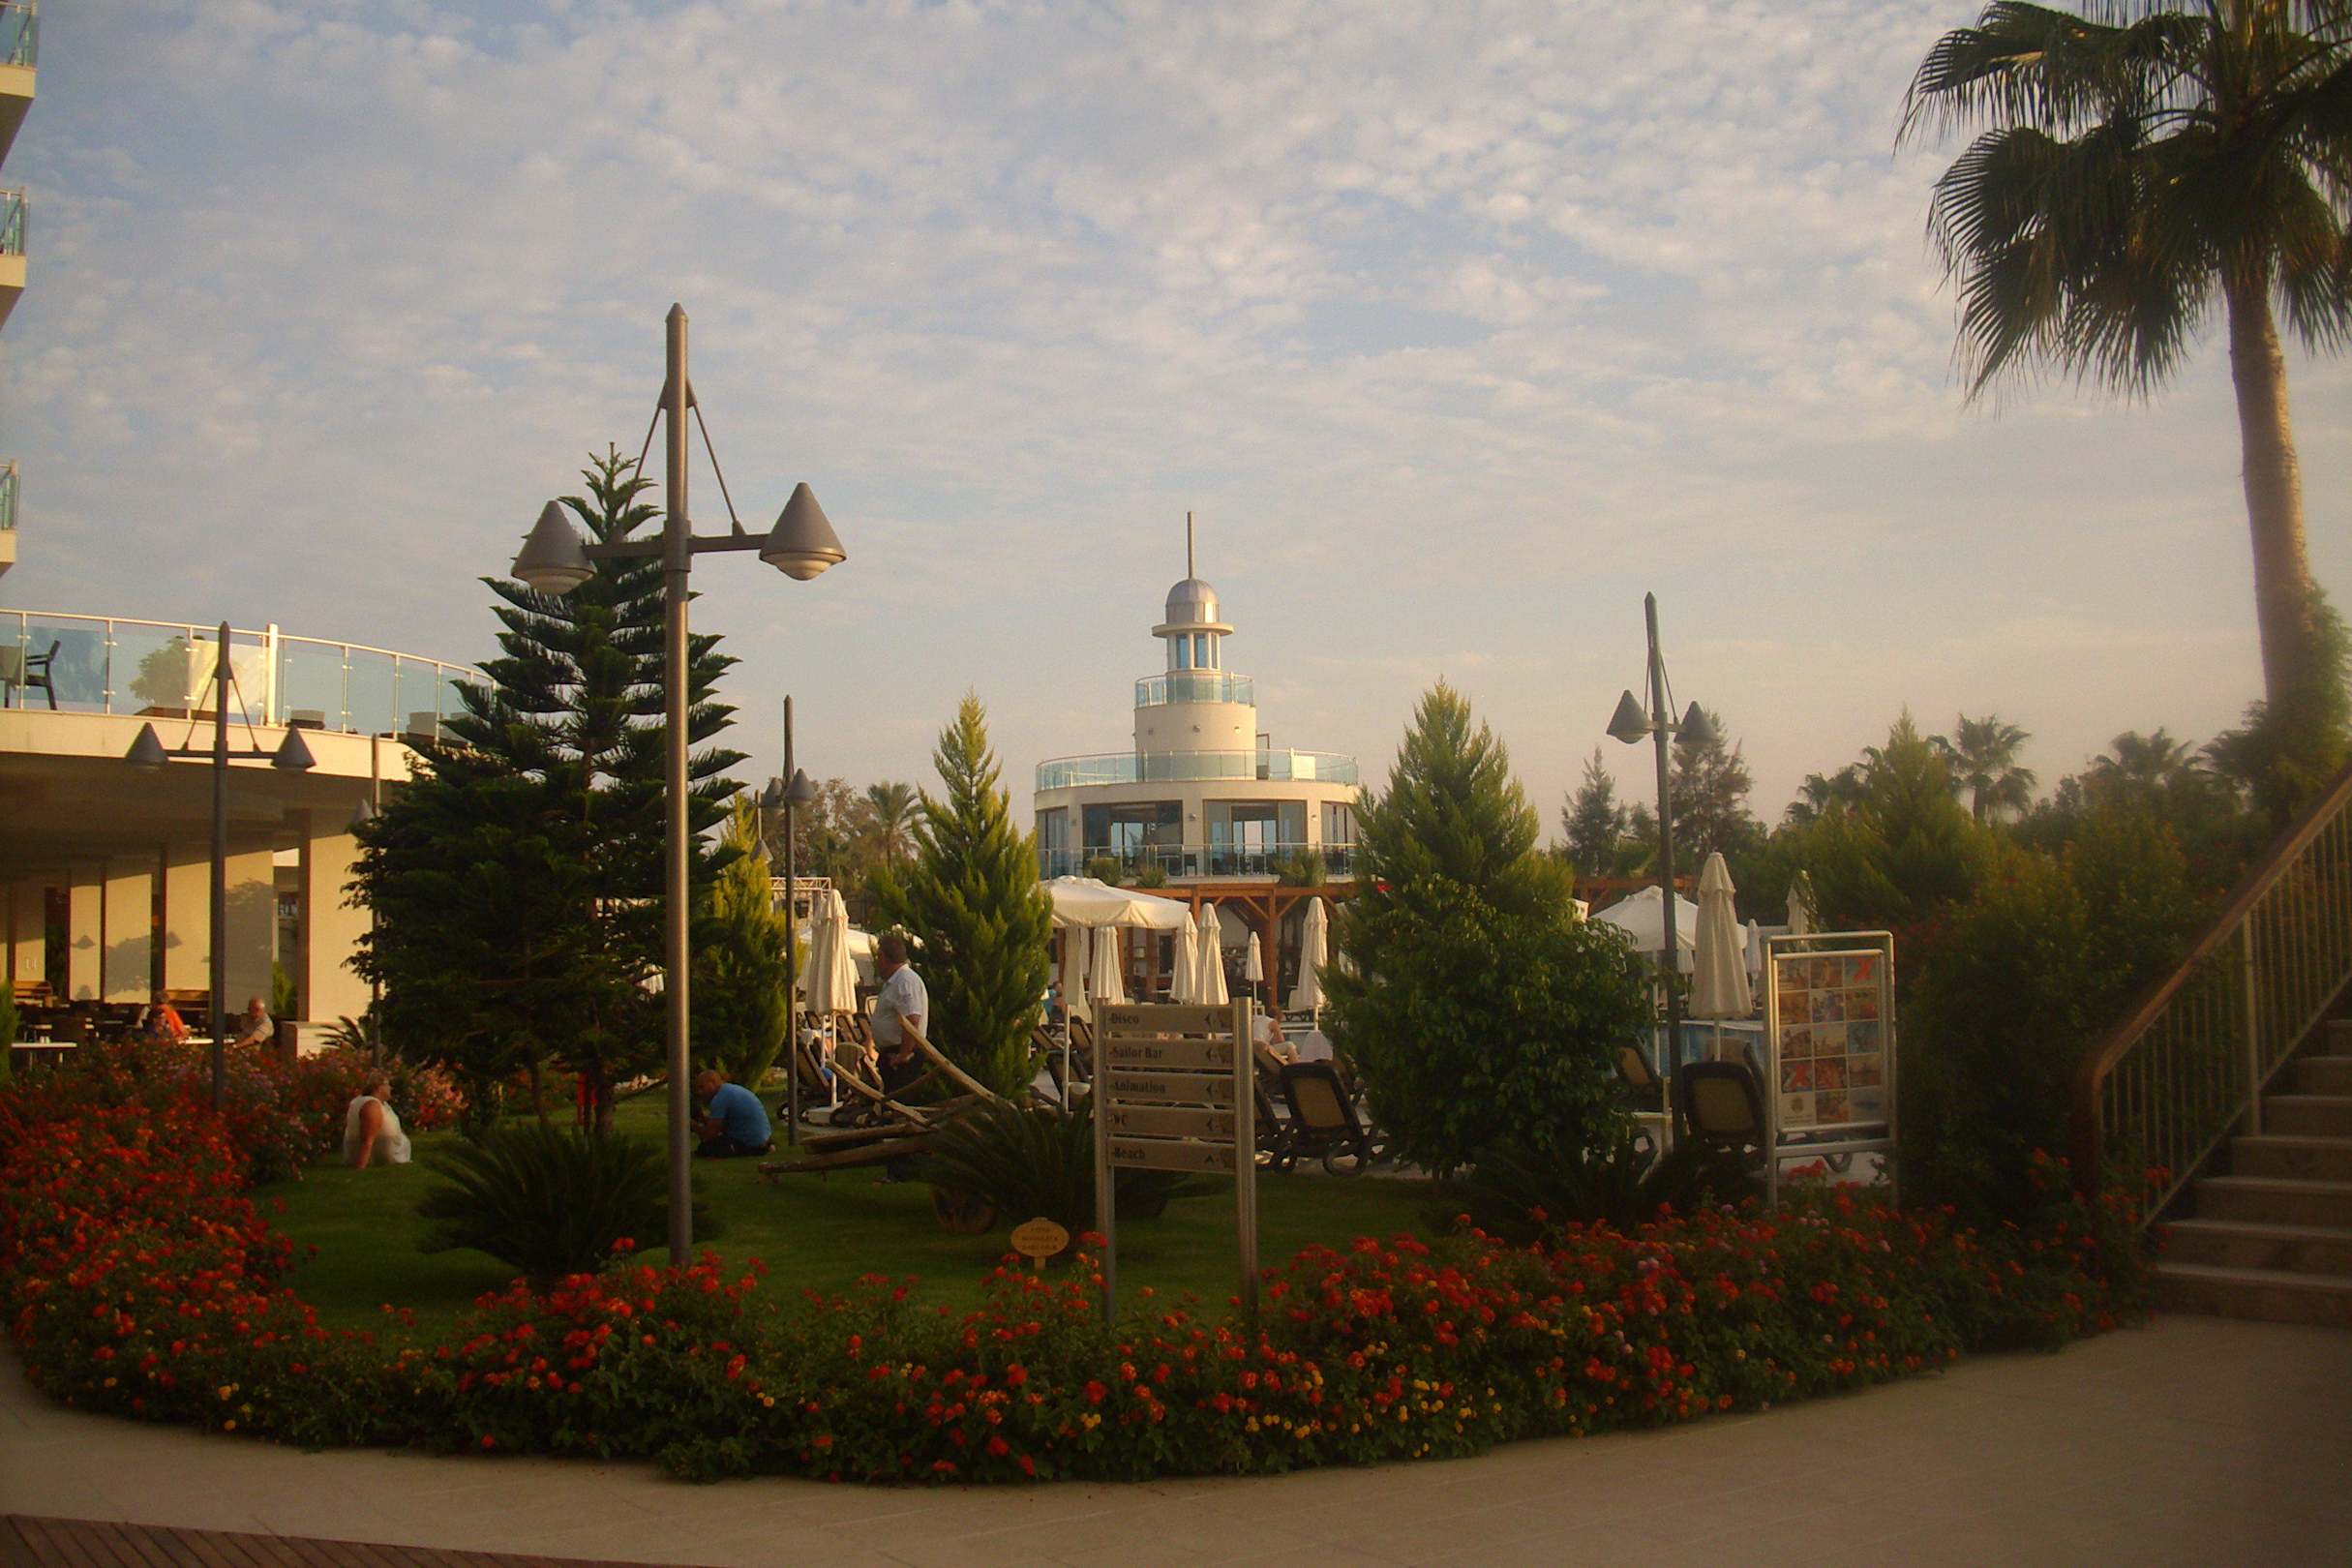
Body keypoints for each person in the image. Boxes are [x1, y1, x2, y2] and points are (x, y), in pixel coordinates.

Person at [870, 933, 929, 1099]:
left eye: (879, 957)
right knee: (892, 1100)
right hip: (893, 1054)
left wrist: (903, 1055)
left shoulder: (905, 981)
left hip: (903, 1056)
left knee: (899, 1102)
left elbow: (912, 1020)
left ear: (884, 957)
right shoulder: (894, 982)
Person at [692, 1068, 772, 1158]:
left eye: (702, 1087)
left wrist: (692, 1125)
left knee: (706, 1148)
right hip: (762, 1141)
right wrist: (703, 1119)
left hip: (750, 1145)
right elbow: (721, 1125)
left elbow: (708, 1136)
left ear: (712, 1082)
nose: (699, 1092)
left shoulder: (720, 1099)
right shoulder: (730, 1090)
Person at [342, 1074, 411, 1167]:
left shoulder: (365, 1102)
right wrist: (360, 1166)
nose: (390, 1088)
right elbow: (367, 1139)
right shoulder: (371, 1105)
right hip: (381, 1157)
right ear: (379, 1088)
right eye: (387, 1085)